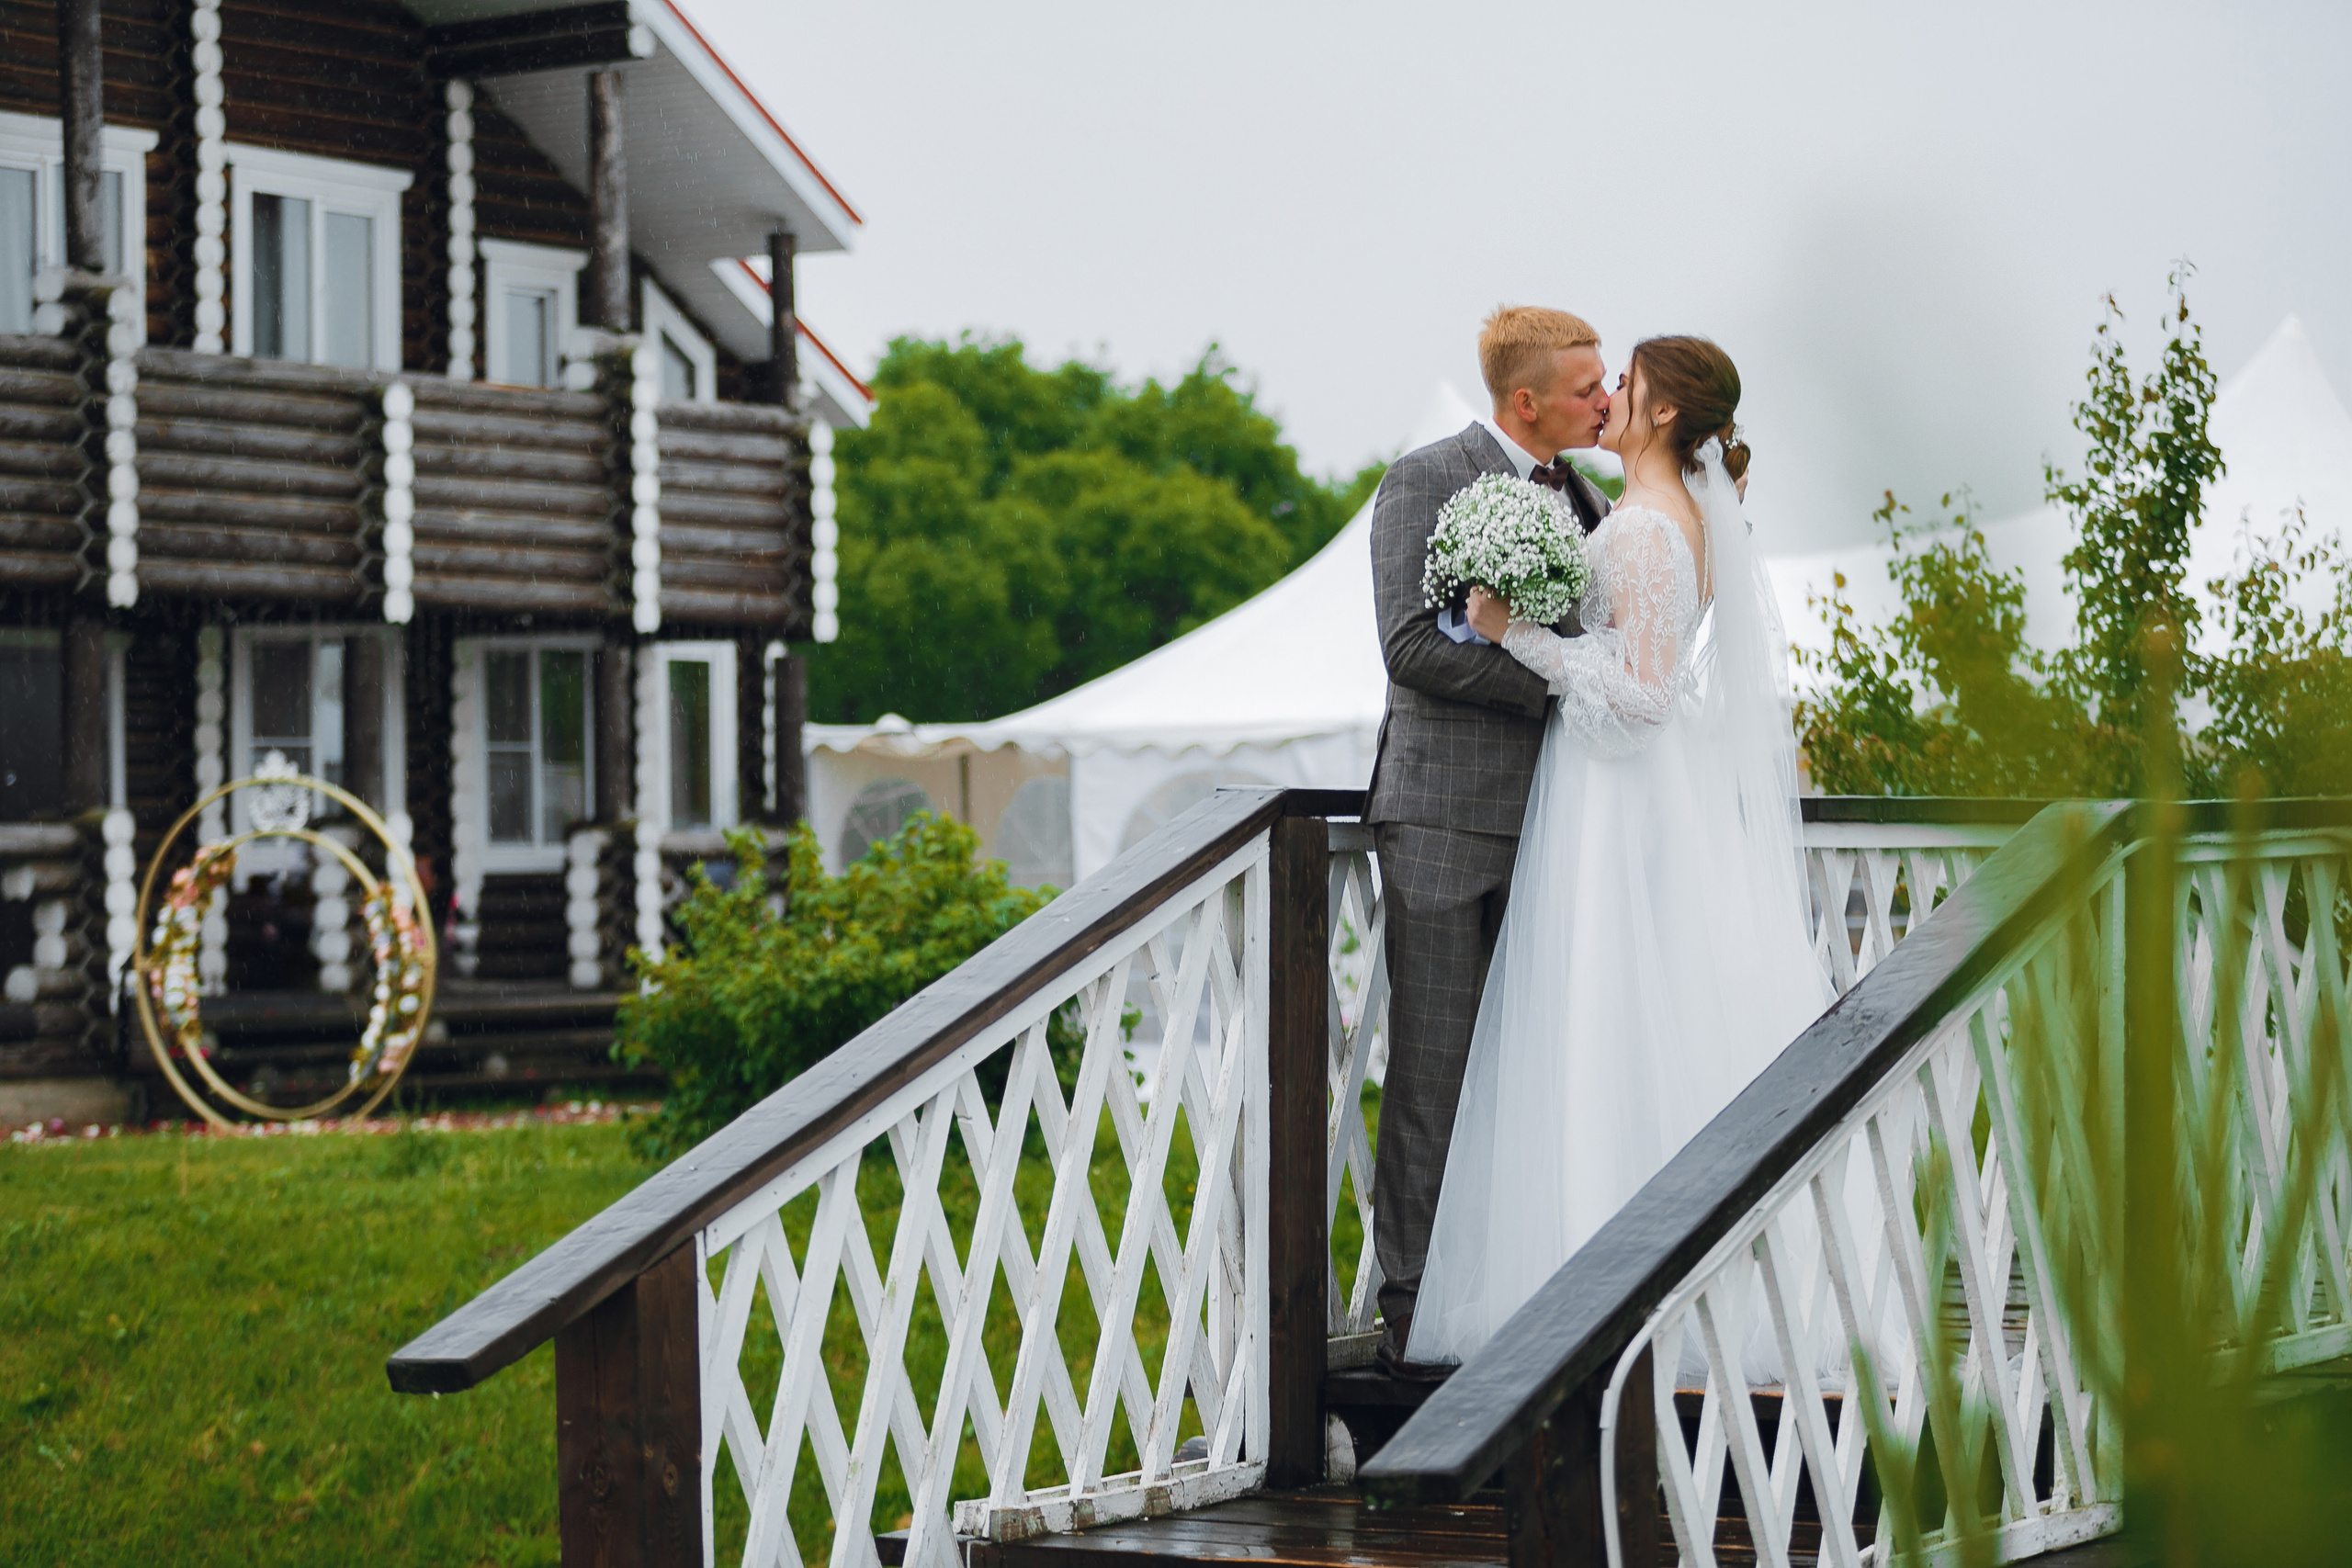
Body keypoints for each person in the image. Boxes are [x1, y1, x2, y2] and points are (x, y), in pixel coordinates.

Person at [1402, 335, 1831, 1370]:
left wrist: (1514, 633)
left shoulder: (1640, 529)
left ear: (1666, 414)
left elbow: (1638, 698)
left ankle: (1587, 1293)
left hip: (1615, 787)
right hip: (1628, 794)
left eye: (1624, 387)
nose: (1609, 400)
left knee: (1602, 1020)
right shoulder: (1662, 517)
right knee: (1632, 1024)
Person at [1362, 305, 1614, 1380]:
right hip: (1441, 823)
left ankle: (1511, 1297)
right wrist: (1554, 695)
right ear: (1526, 400)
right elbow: (1412, 646)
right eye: (1588, 386)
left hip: (1561, 832)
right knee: (1433, 1076)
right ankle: (1415, 1319)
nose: (1606, 400)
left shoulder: (1594, 500)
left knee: (1533, 1075)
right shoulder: (1425, 480)